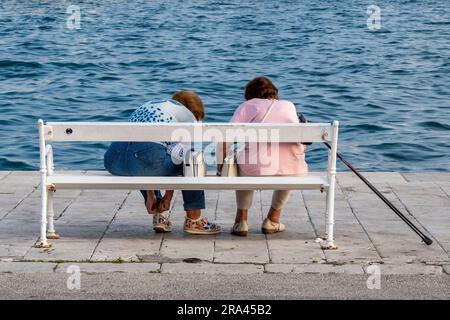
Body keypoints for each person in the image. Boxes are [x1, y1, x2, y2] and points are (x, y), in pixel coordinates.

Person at [104, 91, 221, 235]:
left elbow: (138, 152)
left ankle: (159, 215)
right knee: (192, 161)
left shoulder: (150, 106)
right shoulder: (185, 116)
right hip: (145, 159)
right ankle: (194, 219)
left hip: (114, 160)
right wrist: (168, 196)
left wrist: (151, 194)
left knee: (148, 157)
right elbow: (183, 156)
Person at [217, 77, 308, 236]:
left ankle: (241, 221)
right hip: (292, 169)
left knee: (244, 157)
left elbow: (226, 138)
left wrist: (220, 164)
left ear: (249, 95)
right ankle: (273, 219)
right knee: (290, 162)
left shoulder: (247, 106)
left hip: (255, 168)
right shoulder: (288, 105)